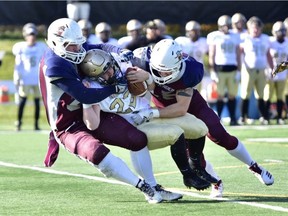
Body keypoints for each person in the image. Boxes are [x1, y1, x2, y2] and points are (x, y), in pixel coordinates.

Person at [39, 17, 162, 204]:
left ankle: (153, 185)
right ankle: (141, 186)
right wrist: (114, 89)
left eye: (78, 44)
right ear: (56, 44)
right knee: (96, 152)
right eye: (71, 46)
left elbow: (99, 47)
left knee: (137, 139)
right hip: (68, 125)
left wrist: (121, 51)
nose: (78, 49)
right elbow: (85, 96)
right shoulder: (55, 65)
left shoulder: (74, 48)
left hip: (92, 112)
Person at [129, 39, 274, 191]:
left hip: (190, 106)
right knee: (190, 152)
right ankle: (216, 183)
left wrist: (150, 110)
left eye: (167, 70)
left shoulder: (190, 71)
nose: (162, 73)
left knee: (219, 135)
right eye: (158, 69)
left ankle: (254, 166)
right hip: (164, 108)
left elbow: (181, 108)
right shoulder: (141, 60)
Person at [78, 49, 218, 193]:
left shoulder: (124, 67)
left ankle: (196, 166)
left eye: (110, 68)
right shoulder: (92, 88)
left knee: (200, 127)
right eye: (104, 74)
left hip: (149, 114)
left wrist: (148, 78)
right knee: (175, 133)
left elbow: (150, 89)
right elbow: (92, 124)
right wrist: (86, 100)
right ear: (94, 77)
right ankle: (187, 175)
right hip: (136, 126)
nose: (110, 74)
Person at [207, 15, 241, 126]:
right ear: (219, 26)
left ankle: (233, 119)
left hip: (232, 69)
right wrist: (212, 71)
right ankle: (219, 119)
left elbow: (238, 54)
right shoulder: (215, 36)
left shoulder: (235, 36)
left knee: (232, 95)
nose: (225, 27)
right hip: (220, 69)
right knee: (220, 95)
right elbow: (212, 54)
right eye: (223, 25)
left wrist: (239, 71)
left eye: (227, 25)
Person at [239, 16, 274, 125]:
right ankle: (243, 117)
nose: (255, 30)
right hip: (248, 69)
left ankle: (264, 117)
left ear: (261, 28)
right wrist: (240, 67)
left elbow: (268, 54)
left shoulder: (265, 38)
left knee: (261, 94)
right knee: (245, 94)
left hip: (262, 69)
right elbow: (239, 52)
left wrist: (272, 68)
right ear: (249, 28)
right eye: (253, 28)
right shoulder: (245, 38)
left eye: (257, 28)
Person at [12, 23, 47, 131]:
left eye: (33, 35)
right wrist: (17, 77)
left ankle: (36, 124)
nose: (31, 37)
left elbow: (45, 62)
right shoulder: (20, 47)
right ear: (25, 35)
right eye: (29, 35)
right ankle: (19, 122)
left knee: (37, 102)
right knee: (23, 101)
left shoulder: (41, 46)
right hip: (25, 79)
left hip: (37, 79)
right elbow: (18, 64)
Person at [264, 21, 288, 124]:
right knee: (268, 95)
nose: (281, 33)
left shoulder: (287, 41)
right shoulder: (270, 41)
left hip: (282, 72)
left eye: (283, 31)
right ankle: (265, 117)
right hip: (271, 72)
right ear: (274, 32)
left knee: (280, 96)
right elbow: (266, 54)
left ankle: (279, 117)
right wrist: (271, 68)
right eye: (279, 31)